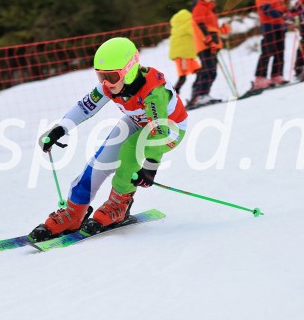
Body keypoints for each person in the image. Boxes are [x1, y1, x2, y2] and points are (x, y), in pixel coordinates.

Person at [30, 37, 188, 241]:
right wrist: (60, 129)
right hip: (138, 121)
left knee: (129, 151)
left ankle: (118, 205)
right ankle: (74, 212)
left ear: (129, 70)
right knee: (100, 161)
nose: (105, 83)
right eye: (100, 75)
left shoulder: (153, 93)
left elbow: (157, 131)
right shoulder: (111, 86)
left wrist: (151, 165)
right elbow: (84, 107)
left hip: (169, 129)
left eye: (111, 76)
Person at [247, 0, 294, 93]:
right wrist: (281, 14)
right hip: (269, 26)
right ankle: (260, 77)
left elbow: (283, 10)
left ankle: (276, 74)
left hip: (280, 26)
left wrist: (290, 13)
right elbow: (266, 9)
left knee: (280, 51)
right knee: (268, 51)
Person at [188, 0, 228, 107]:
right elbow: (200, 25)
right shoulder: (200, 7)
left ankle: (201, 94)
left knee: (210, 71)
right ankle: (201, 95)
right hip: (204, 45)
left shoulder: (210, 9)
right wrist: (208, 38)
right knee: (209, 71)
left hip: (211, 45)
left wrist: (222, 31)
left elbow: (212, 28)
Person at [168, 8, 200, 94]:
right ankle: (196, 91)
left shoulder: (176, 26)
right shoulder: (188, 24)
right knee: (198, 72)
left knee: (185, 76)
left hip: (181, 55)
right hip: (184, 55)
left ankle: (174, 93)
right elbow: (197, 33)